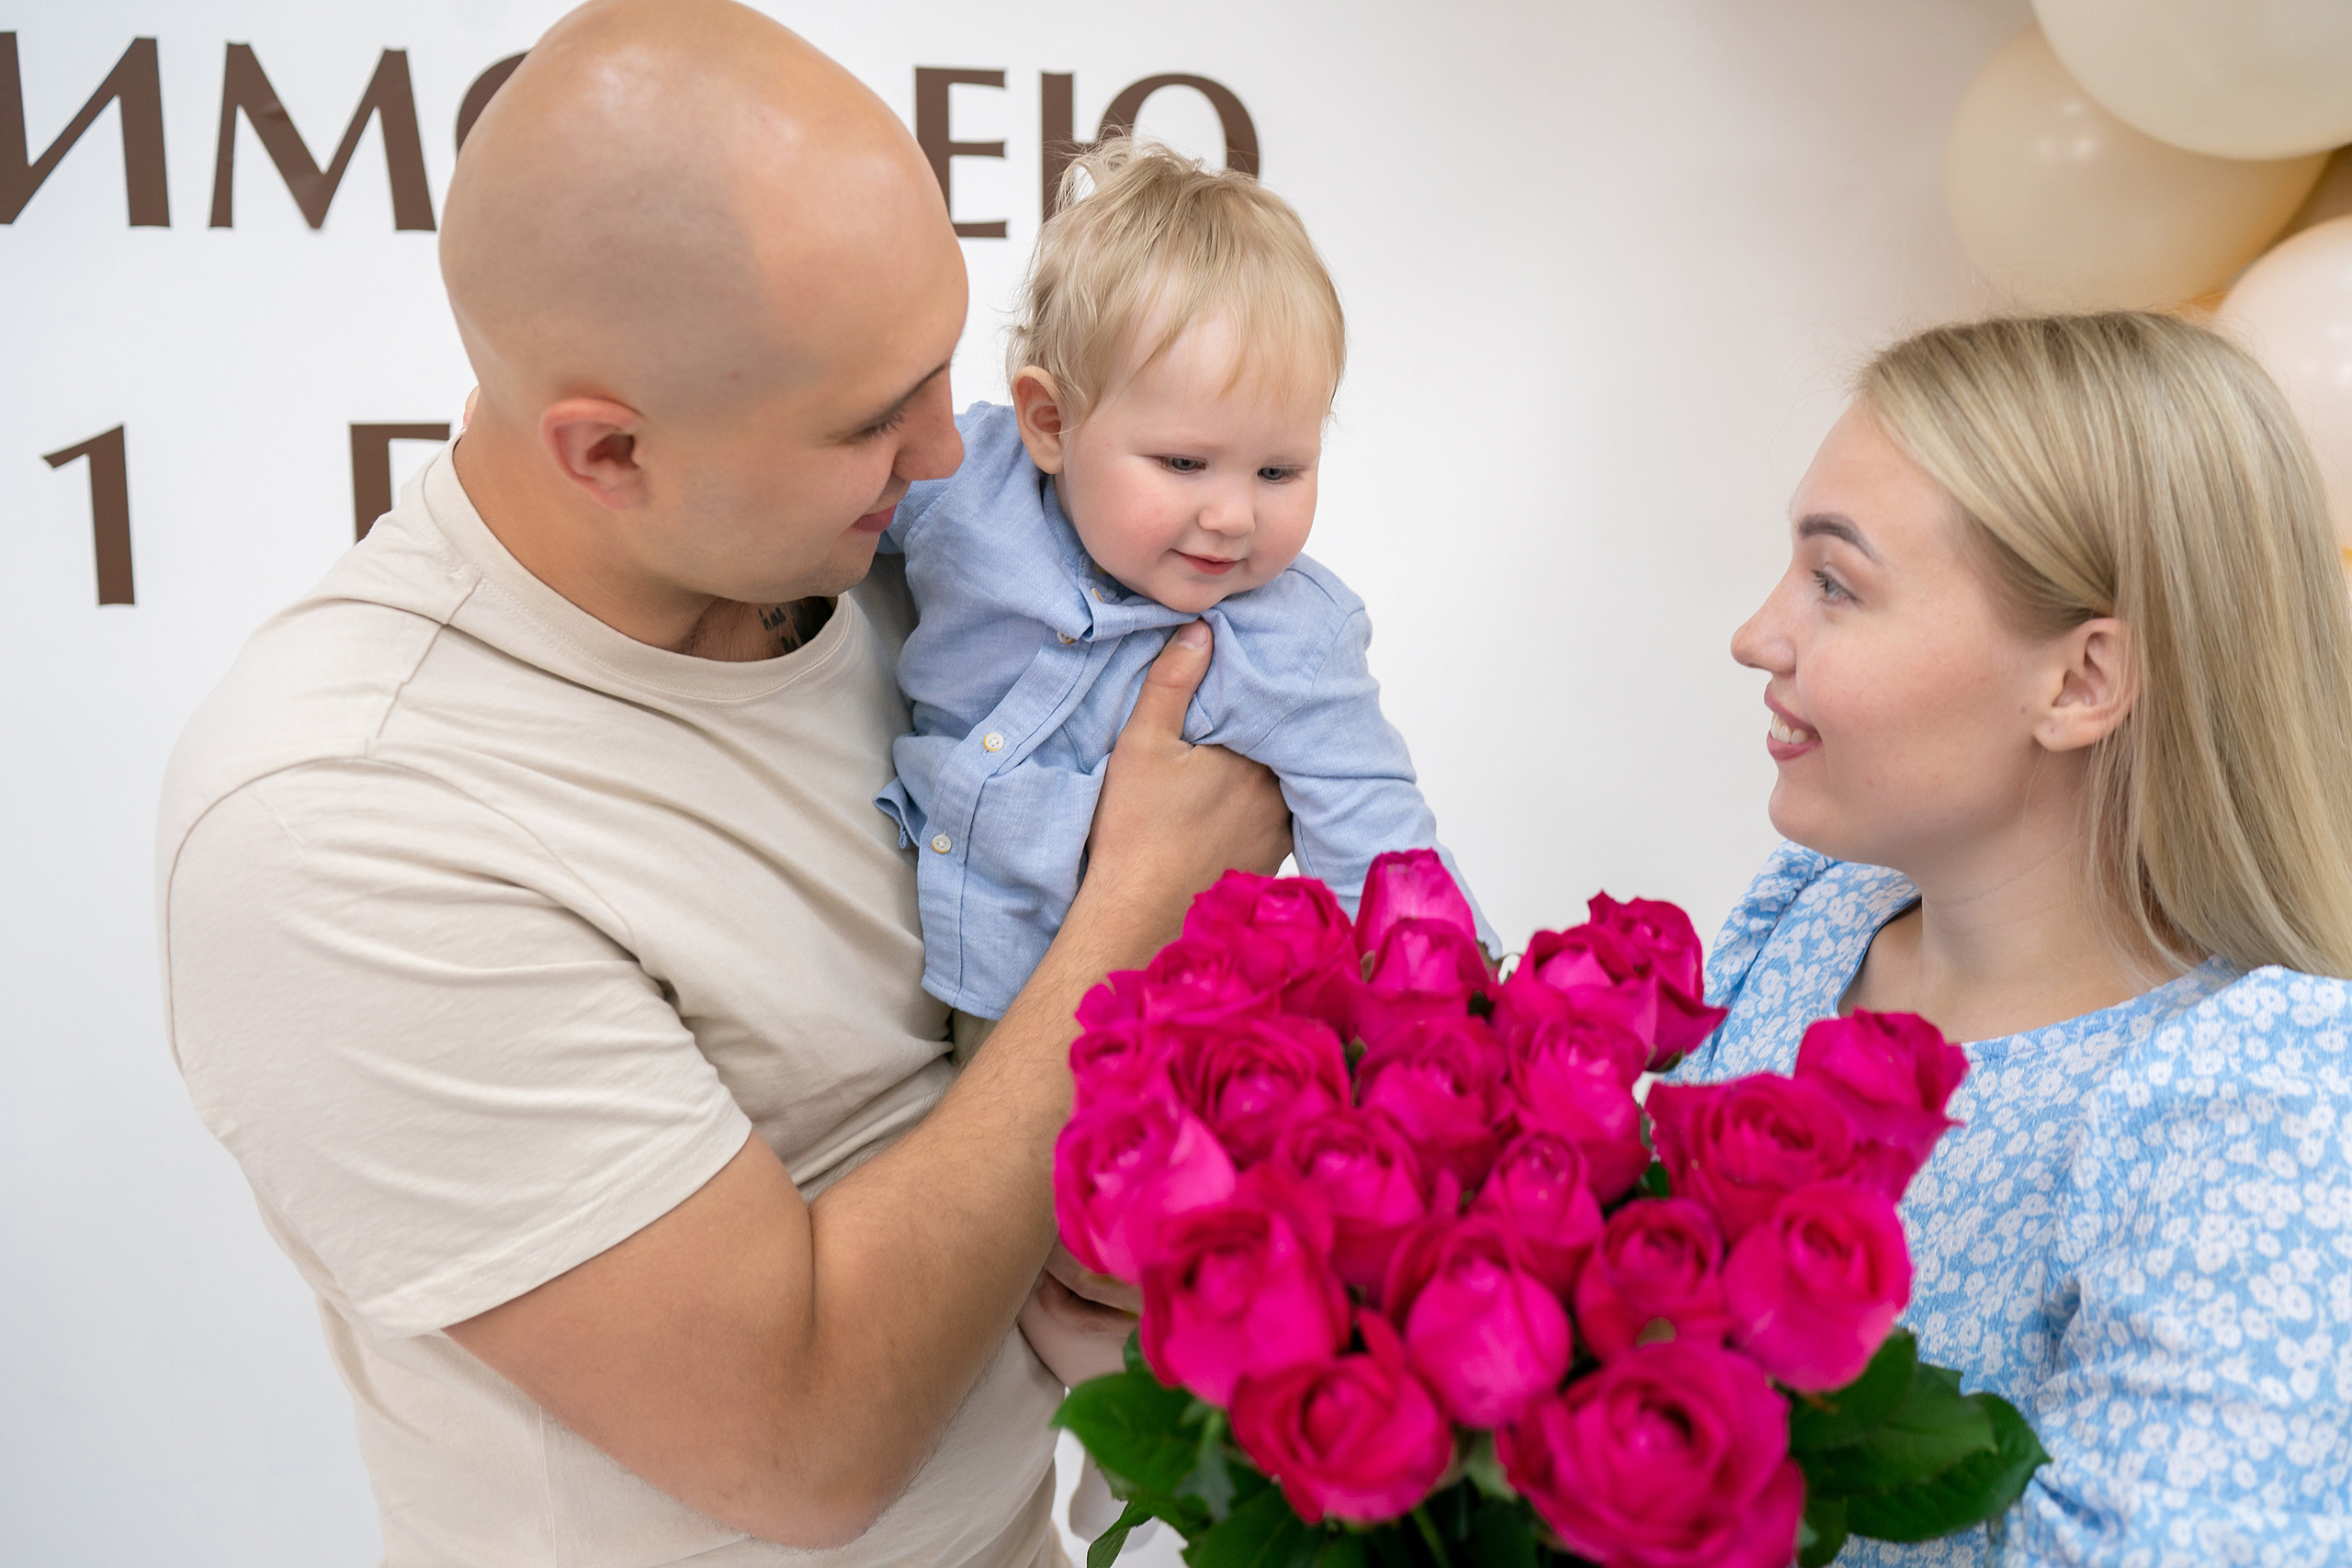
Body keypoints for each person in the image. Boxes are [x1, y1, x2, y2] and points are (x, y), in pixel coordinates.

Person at [153, 3, 1288, 1564]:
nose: (946, 454)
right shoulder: (343, 819)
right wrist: (1142, 907)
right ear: (608, 451)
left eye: (939, 370)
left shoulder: (909, 562)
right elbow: (800, 1446)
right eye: (868, 419)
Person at [1693, 311, 2352, 1562]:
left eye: (1835, 583)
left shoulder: (2253, 1115)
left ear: (2081, 681)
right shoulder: (1817, 915)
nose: (1758, 634)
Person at [878, 138, 1488, 1041]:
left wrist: (1467, 1029)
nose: (1233, 515)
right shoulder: (965, 487)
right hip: (888, 955)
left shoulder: (1292, 641)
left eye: (1278, 471)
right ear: (1050, 423)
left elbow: (1385, 853)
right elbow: (812, 513)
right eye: (1184, 463)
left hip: (1115, 1036)